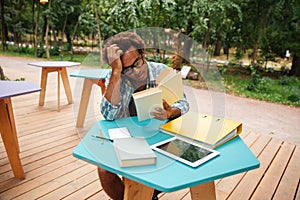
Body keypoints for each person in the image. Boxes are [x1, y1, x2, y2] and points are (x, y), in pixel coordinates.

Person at [98, 31, 189, 200]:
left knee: (171, 162)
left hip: (159, 136)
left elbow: (183, 104)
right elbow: (108, 114)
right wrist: (117, 72)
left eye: (138, 62)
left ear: (142, 53)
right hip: (128, 137)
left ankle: (144, 196)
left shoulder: (162, 71)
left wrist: (170, 112)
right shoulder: (115, 76)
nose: (137, 71)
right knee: (104, 170)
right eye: (128, 68)